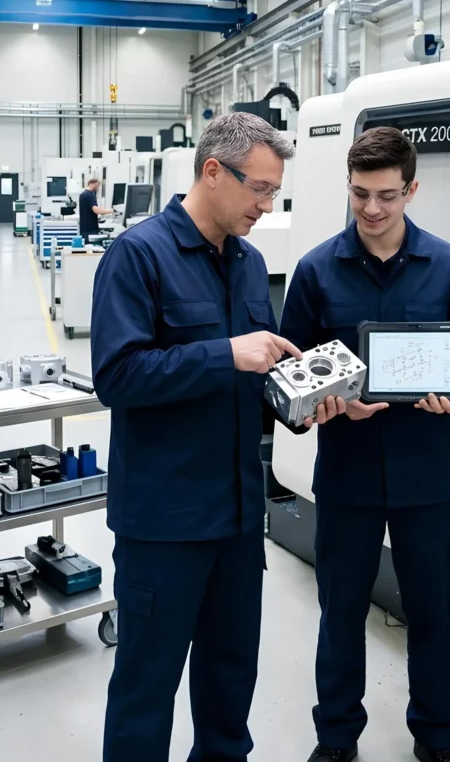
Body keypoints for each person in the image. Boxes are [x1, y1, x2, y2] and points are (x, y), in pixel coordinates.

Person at [279, 127, 450, 762]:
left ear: (411, 190)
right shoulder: (316, 270)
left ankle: (437, 739)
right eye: (360, 194)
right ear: (348, 187)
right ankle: (336, 739)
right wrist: (327, 403)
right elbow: (289, 374)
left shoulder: (448, 267)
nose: (371, 209)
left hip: (426, 474)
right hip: (347, 474)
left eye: (386, 196)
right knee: (341, 612)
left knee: (431, 613)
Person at [91, 113, 300, 762]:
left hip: (237, 520)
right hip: (165, 523)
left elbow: (256, 376)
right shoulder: (138, 256)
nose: (266, 206)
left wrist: (304, 403)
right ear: (213, 171)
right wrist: (226, 354)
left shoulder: (250, 263)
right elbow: (117, 376)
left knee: (230, 682)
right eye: (259, 189)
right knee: (147, 688)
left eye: (274, 192)